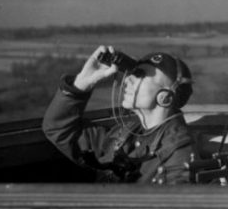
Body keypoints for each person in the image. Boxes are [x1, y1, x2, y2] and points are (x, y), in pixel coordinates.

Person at [42, 46, 197, 185]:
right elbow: (58, 130)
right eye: (132, 74)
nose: (128, 79)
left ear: (165, 97)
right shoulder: (124, 135)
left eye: (140, 76)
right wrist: (80, 84)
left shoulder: (178, 151)